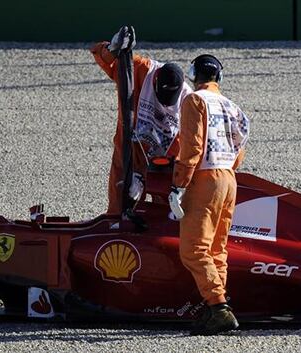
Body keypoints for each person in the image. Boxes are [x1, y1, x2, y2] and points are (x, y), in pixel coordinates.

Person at [168, 54, 249, 335]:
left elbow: (191, 148)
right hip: (229, 178)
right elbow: (241, 147)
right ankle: (216, 303)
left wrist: (179, 184)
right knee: (217, 249)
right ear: (220, 78)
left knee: (193, 249)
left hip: (205, 179)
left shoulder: (194, 100)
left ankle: (218, 307)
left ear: (193, 76)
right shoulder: (232, 106)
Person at [91, 26, 192, 214]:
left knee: (165, 213)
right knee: (118, 206)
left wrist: (171, 181)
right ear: (155, 82)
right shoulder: (141, 70)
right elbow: (108, 62)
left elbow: (187, 144)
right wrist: (112, 48)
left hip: (164, 163)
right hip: (128, 150)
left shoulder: (189, 99)